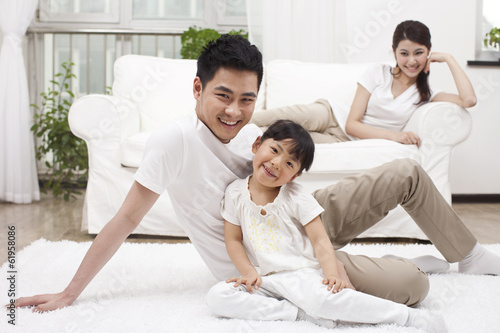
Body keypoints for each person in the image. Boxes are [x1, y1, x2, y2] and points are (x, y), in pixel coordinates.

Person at [12, 34, 499, 315]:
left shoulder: (249, 132)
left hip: (301, 220)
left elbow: (282, 180)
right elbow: (122, 221)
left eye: (247, 99)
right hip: (271, 256)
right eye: (223, 96)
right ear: (198, 87)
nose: (235, 111)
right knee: (413, 288)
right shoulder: (173, 141)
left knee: (404, 173)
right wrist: (70, 292)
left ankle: (470, 255)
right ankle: (413, 264)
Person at [207, 119, 446, 331]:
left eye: (290, 164)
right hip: (267, 280)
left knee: (327, 300)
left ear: (295, 176)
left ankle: (409, 318)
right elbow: (233, 239)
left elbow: (320, 240)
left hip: (301, 274)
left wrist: (332, 274)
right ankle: (298, 313)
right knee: (218, 296)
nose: (277, 163)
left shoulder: (295, 196)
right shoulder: (235, 193)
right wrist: (248, 272)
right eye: (274, 150)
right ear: (257, 145)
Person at [250, 20, 477, 147]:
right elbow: (352, 124)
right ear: (394, 52)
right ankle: (222, 124)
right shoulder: (377, 73)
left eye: (419, 53)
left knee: (277, 139)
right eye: (404, 53)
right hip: (329, 114)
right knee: (271, 117)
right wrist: (395, 136)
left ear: (428, 52)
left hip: (339, 139)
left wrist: (449, 59)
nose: (411, 61)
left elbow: (469, 100)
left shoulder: (426, 94)